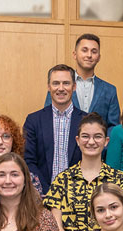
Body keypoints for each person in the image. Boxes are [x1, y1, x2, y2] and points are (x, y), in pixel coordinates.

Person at [44, 112, 123, 231]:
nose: (91, 142)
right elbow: (56, 226)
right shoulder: (62, 180)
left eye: (97, 136)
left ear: (106, 141)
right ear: (77, 140)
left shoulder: (121, 179)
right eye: (85, 136)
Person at [26, 63, 86, 193]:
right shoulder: (33, 120)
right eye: (55, 83)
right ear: (48, 86)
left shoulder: (86, 121)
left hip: (78, 196)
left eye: (66, 83)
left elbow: (90, 160)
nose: (61, 88)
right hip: (42, 195)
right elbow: (29, 161)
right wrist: (48, 192)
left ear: (74, 86)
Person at [44, 34, 120, 126]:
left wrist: (100, 139)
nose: (89, 55)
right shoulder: (59, 87)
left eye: (94, 51)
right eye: (84, 50)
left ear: (99, 57)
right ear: (75, 55)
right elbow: (48, 118)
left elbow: (114, 126)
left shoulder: (110, 90)